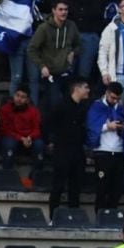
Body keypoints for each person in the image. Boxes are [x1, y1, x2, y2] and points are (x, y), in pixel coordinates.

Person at [28, 0, 79, 131]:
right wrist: (41, 66)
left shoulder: (71, 26)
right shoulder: (44, 28)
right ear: (54, 10)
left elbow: (78, 44)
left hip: (67, 73)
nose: (64, 12)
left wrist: (74, 52)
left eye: (66, 9)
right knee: (53, 106)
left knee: (71, 106)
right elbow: (31, 49)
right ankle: (50, 138)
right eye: (61, 9)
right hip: (51, 75)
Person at [50, 78, 90, 216]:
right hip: (62, 151)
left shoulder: (84, 107)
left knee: (76, 187)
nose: (88, 90)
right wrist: (51, 141)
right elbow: (49, 123)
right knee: (58, 186)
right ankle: (53, 217)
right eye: (85, 87)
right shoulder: (61, 105)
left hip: (78, 152)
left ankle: (74, 217)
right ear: (77, 89)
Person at [88, 82, 124, 212]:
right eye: (112, 98)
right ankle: (100, 217)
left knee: (116, 189)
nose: (115, 101)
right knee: (102, 188)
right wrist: (107, 127)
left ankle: (112, 215)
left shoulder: (121, 109)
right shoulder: (96, 107)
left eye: (117, 98)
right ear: (106, 93)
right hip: (102, 152)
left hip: (118, 152)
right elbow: (91, 127)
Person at [0, 88, 45, 175]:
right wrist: (21, 138)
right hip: (12, 137)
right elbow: (5, 130)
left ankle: (36, 175)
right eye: (17, 95)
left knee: (39, 144)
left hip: (29, 138)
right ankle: (7, 174)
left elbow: (37, 129)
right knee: (9, 144)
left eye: (23, 97)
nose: (19, 99)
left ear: (27, 100)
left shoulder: (34, 111)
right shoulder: (5, 109)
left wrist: (30, 137)